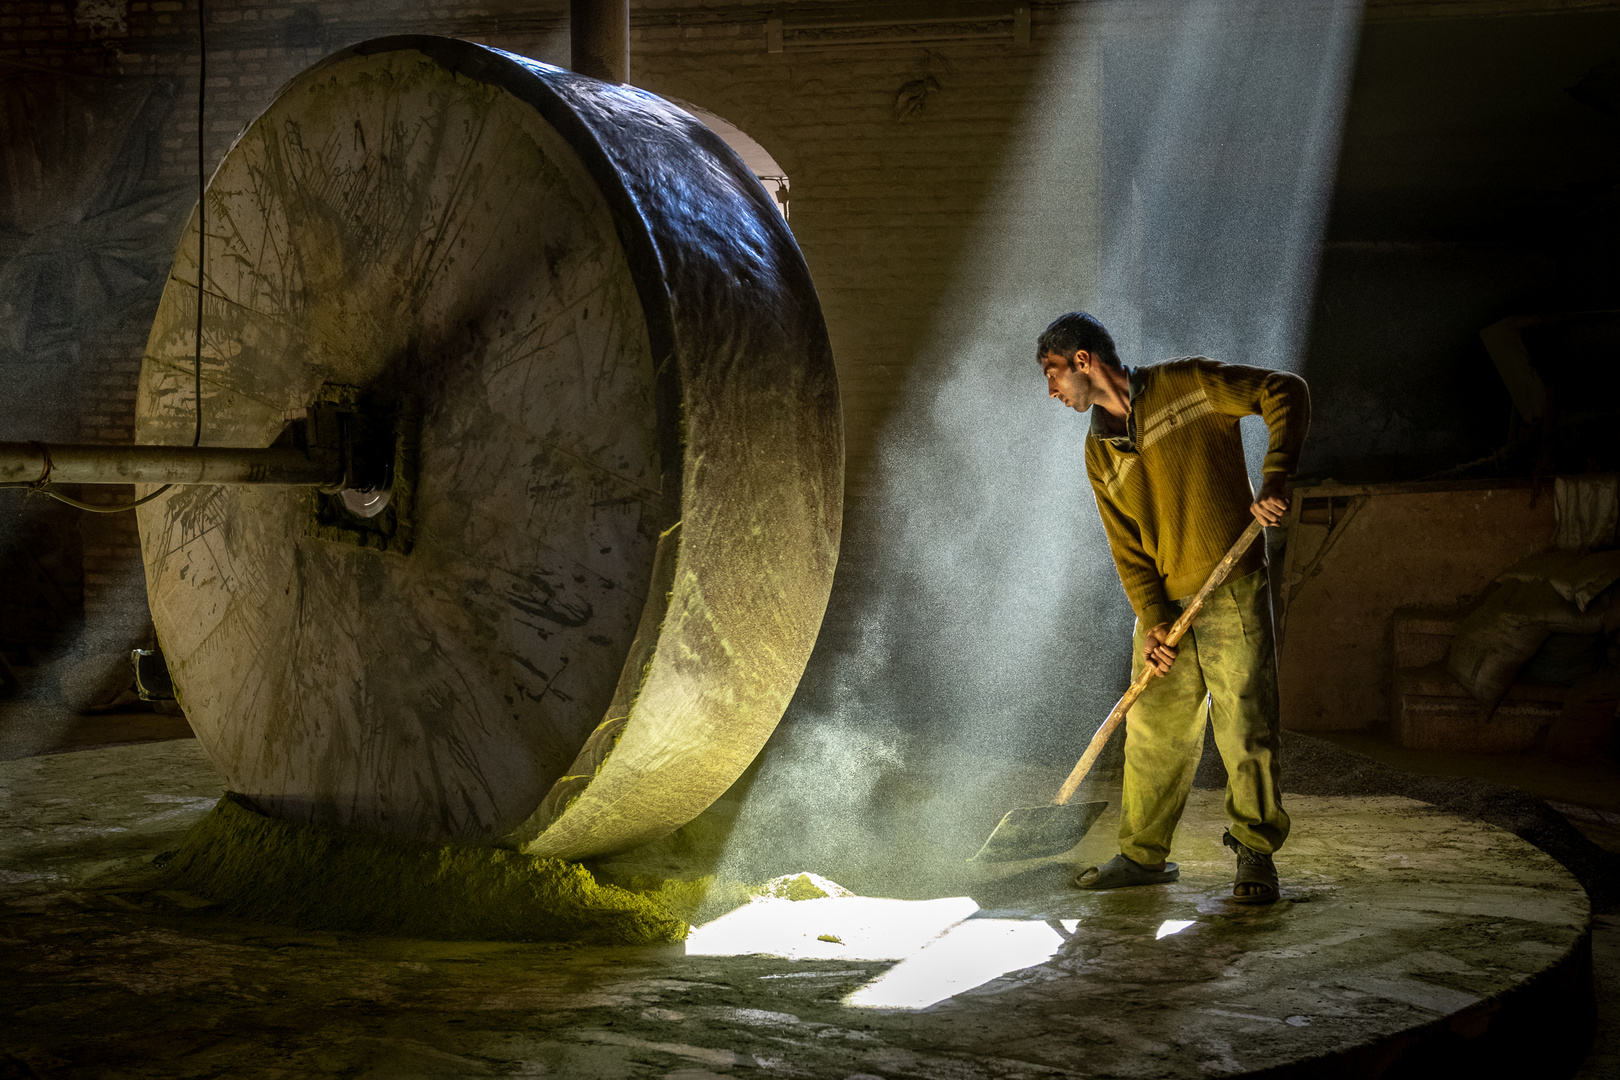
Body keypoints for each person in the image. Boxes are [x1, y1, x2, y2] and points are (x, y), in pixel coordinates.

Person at [1036, 311, 1309, 904]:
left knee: (1244, 720)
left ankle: (1256, 855)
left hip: (1231, 584)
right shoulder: (1099, 453)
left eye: (1053, 373)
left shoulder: (1189, 386)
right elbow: (1127, 547)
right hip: (1165, 608)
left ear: (1083, 360)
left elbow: (1284, 390)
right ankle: (1142, 856)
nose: (1051, 390)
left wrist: (1276, 475)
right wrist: (1154, 619)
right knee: (1153, 730)